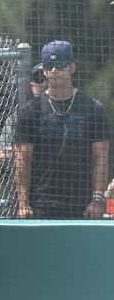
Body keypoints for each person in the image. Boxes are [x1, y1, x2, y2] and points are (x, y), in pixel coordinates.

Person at [15, 40, 111, 219]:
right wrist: (23, 203)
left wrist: (97, 200)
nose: (54, 70)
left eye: (59, 65)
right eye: (49, 65)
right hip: (41, 205)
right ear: (43, 70)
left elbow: (101, 158)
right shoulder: (31, 110)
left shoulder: (93, 108)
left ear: (72, 67)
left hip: (82, 206)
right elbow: (22, 159)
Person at [0, 64, 47, 165]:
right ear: (32, 86)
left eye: (48, 78)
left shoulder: (68, 111)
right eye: (39, 79)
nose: (44, 83)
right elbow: (0, 156)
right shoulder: (18, 116)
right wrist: (22, 152)